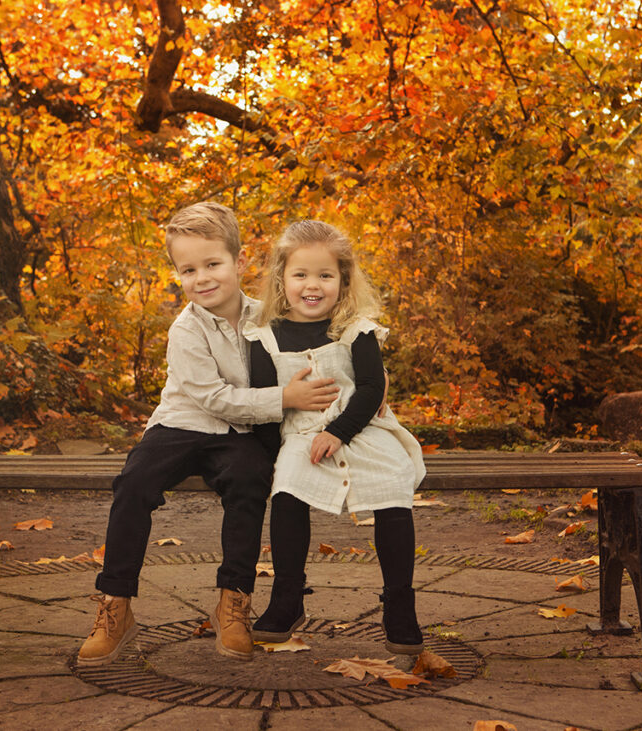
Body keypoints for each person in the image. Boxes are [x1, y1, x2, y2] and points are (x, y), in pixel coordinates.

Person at [78, 202, 339, 667]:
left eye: (212, 264)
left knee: (250, 479)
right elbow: (215, 399)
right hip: (181, 424)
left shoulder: (271, 318)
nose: (202, 278)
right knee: (134, 483)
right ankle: (115, 605)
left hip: (240, 432)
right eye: (188, 270)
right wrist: (284, 399)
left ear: (238, 262)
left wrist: (363, 390)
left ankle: (233, 601)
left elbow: (323, 356)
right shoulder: (186, 329)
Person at [246, 219, 427, 655]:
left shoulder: (356, 329)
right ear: (281, 278)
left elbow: (369, 389)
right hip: (300, 434)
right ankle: (287, 596)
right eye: (301, 275)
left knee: (393, 487)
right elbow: (266, 401)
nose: (313, 285)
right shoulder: (265, 337)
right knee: (287, 488)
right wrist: (267, 457)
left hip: (360, 429)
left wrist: (339, 431)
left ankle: (399, 601)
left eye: (325, 275)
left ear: (343, 280)